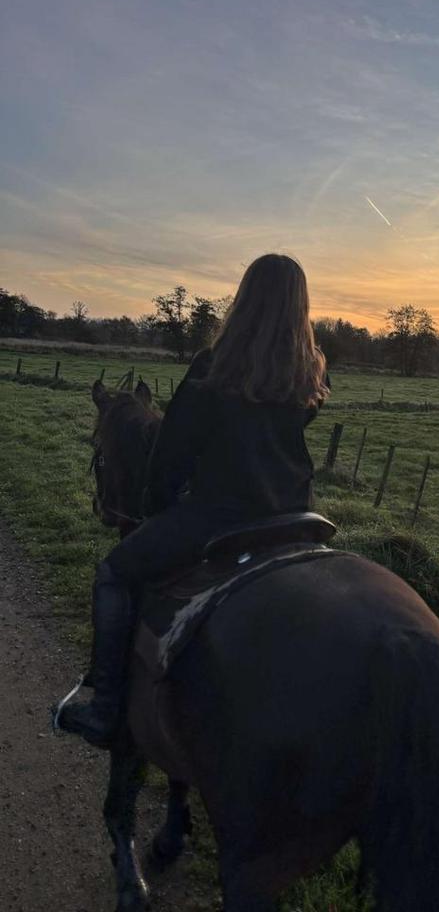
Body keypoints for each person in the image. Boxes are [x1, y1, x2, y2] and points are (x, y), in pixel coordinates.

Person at [57, 253, 330, 747]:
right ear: (301, 304)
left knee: (113, 573)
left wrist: (157, 505)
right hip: (297, 517)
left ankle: (104, 707)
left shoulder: (214, 366)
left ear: (245, 299)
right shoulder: (312, 372)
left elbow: (171, 454)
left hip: (221, 516)